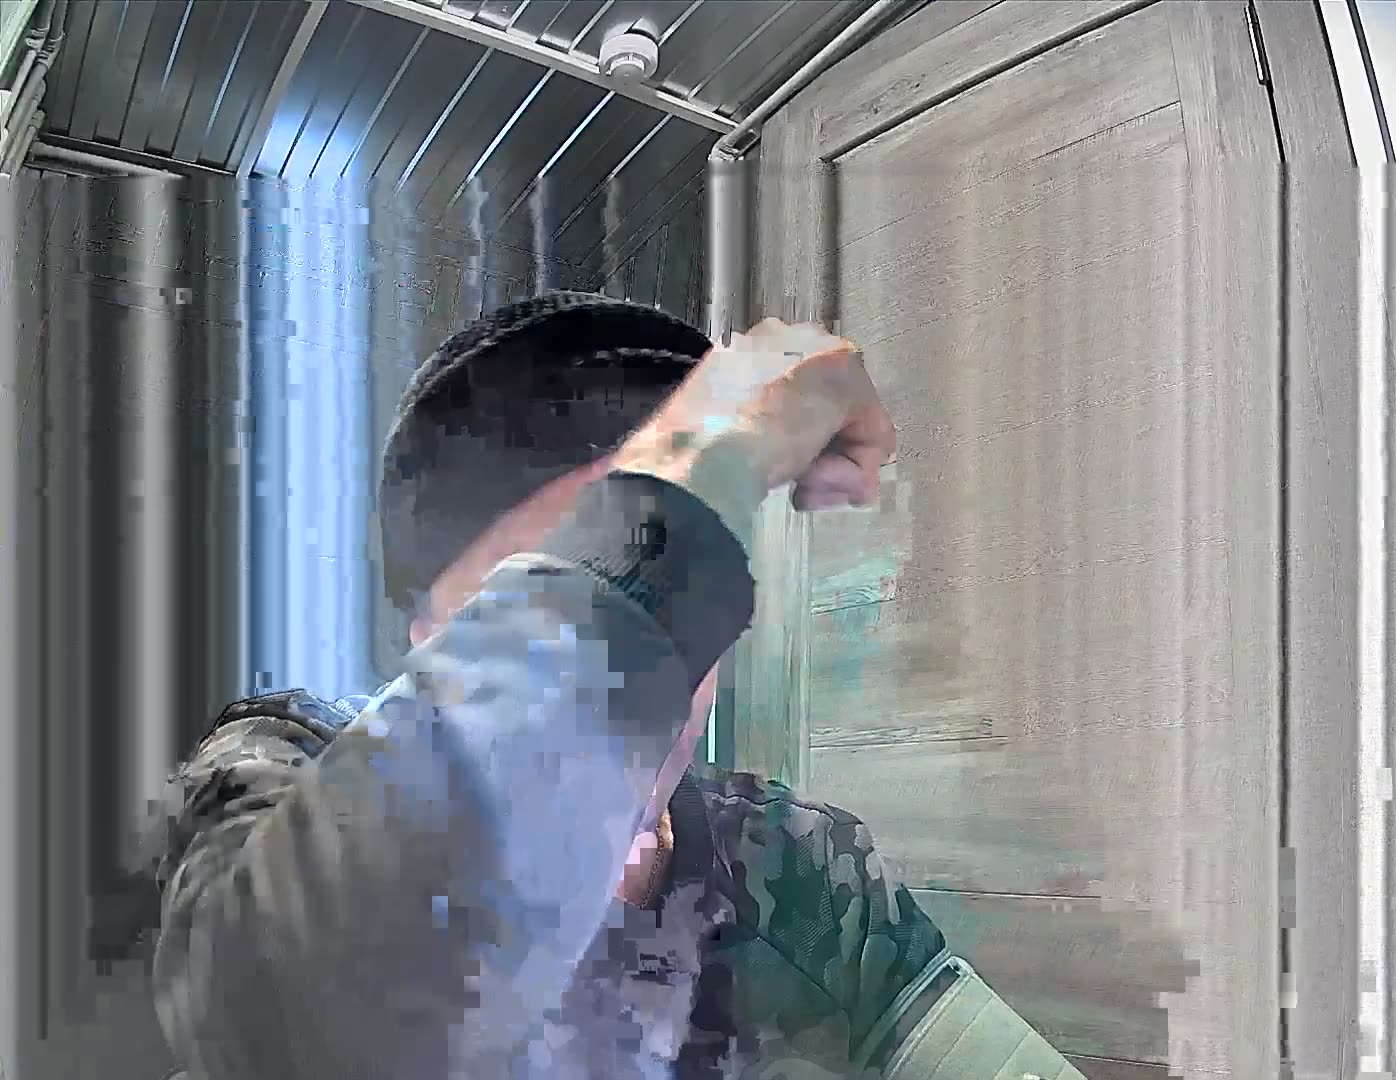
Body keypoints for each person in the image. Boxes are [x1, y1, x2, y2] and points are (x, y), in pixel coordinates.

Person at [151, 294, 1086, 1080]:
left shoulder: (799, 871)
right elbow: (264, 1013)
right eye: (572, 591)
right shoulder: (294, 765)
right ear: (430, 638)